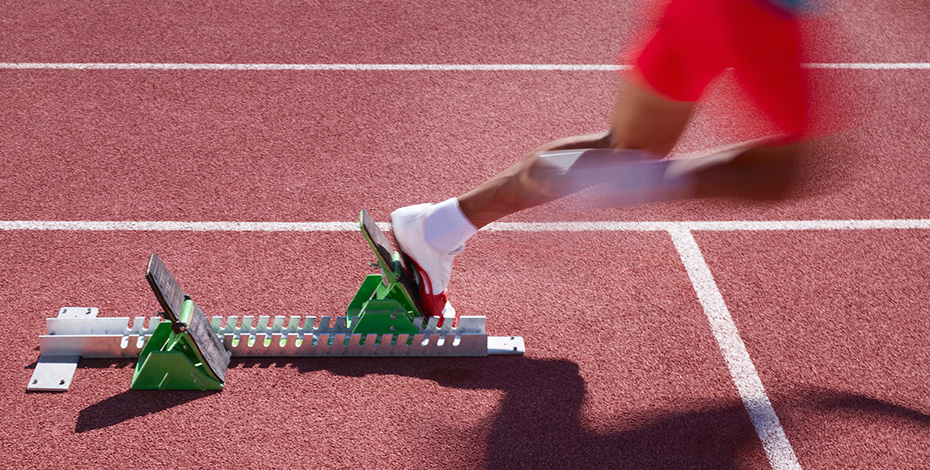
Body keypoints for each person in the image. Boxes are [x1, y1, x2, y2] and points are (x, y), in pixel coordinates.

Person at [392, 0, 814, 318]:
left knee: (627, 148)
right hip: (760, 16)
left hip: (696, 8)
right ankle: (641, 182)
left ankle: (436, 227)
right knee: (794, 167)